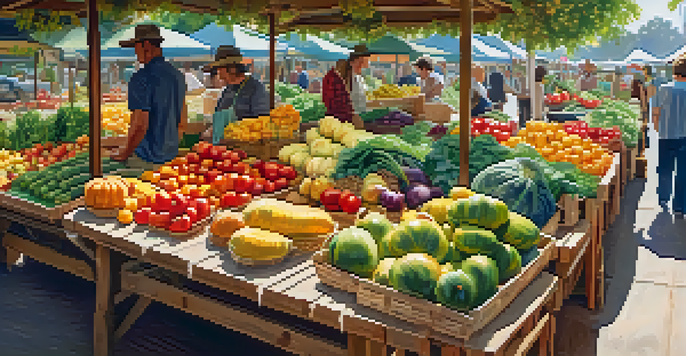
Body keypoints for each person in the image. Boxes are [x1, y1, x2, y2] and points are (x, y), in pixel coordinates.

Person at [111, 24, 187, 171]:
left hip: (144, 160)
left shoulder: (141, 78)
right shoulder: (178, 76)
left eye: (135, 46)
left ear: (145, 45)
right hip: (170, 161)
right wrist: (167, 151)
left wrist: (124, 154)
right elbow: (182, 122)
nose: (135, 52)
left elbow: (140, 124)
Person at [200, 46, 270, 144]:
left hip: (246, 149)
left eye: (220, 68)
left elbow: (263, 121)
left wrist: (239, 132)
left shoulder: (256, 89)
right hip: (223, 151)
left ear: (232, 68)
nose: (218, 72)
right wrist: (211, 130)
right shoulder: (227, 91)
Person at [652, 56, 686, 217]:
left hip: (666, 135)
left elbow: (656, 112)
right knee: (683, 172)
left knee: (665, 169)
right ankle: (679, 205)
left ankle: (663, 199)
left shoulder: (663, 89)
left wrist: (658, 129)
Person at [322, 45, 371, 128]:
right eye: (361, 62)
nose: (364, 66)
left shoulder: (353, 77)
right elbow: (333, 106)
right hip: (337, 125)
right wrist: (352, 116)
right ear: (350, 61)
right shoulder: (332, 78)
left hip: (349, 124)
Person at [322, 59, 355, 124]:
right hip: (336, 120)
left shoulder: (342, 77)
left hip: (343, 120)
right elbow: (330, 102)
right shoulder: (332, 78)